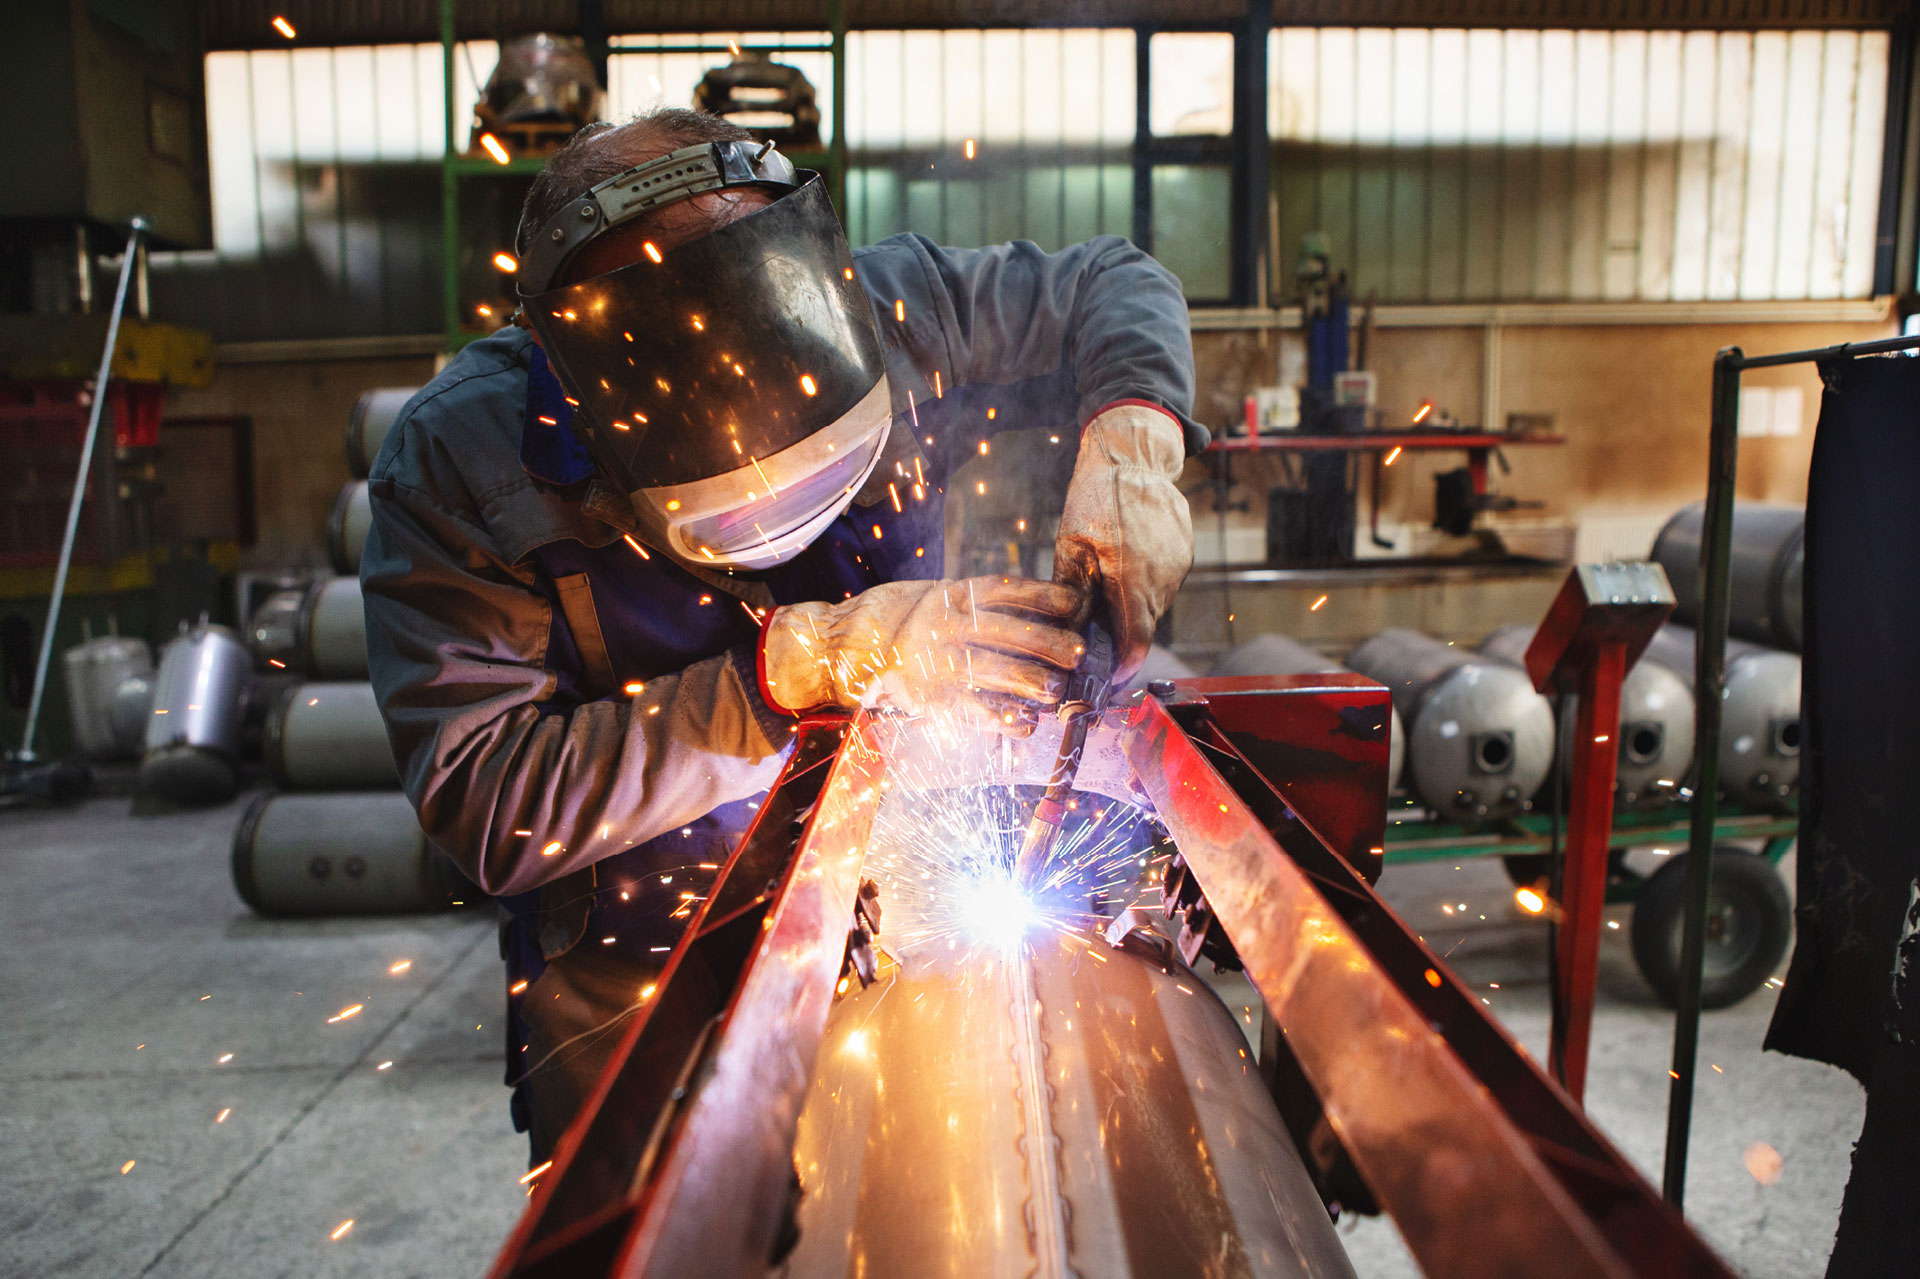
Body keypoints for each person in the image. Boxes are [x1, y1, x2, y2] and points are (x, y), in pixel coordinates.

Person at [360, 107, 1201, 1161]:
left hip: (906, 905)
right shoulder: (458, 463)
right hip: (648, 971)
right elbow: (490, 803)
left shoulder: (892, 305)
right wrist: (797, 665)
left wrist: (1134, 437)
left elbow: (1109, 281)